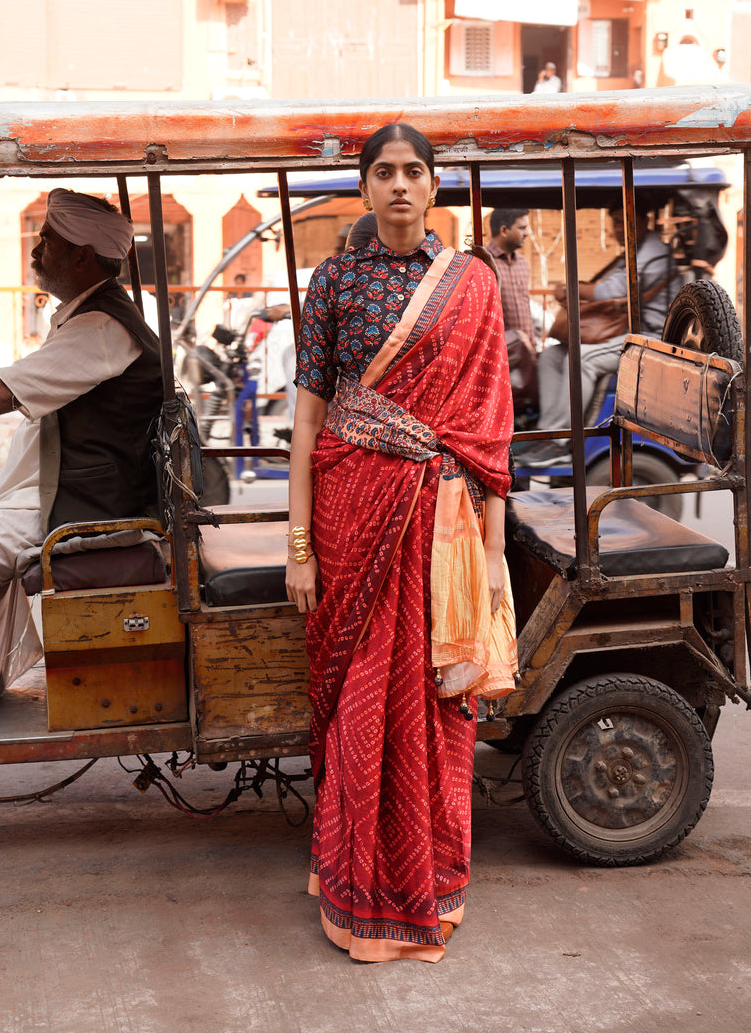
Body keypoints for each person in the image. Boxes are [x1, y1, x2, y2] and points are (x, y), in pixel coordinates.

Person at [287, 123, 516, 962]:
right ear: (363, 187)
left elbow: (491, 429)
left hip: (440, 527)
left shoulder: (472, 286)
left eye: (413, 171)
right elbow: (309, 419)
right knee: (358, 705)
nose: (398, 186)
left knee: (433, 706)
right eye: (382, 172)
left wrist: (492, 556)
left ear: (433, 185)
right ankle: (353, 895)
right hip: (351, 517)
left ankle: (426, 885)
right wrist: (299, 545)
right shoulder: (336, 281)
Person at [0, 189, 162, 715]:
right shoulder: (86, 315)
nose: (35, 247)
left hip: (76, 501)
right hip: (51, 482)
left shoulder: (103, 328)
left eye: (47, 239)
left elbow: (3, 391)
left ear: (82, 256)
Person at [519, 203, 680, 467]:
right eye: (615, 223)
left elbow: (610, 291)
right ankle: (549, 432)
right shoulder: (633, 251)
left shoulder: (654, 254)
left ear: (642, 219)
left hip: (648, 339)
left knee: (583, 357)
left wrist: (571, 289)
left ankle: (561, 442)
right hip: (625, 330)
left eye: (621, 222)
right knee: (550, 355)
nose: (617, 230)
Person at [486, 208, 536, 354]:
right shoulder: (483, 262)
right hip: (498, 353)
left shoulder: (522, 263)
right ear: (504, 230)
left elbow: (525, 309)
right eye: (522, 228)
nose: (527, 233)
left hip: (526, 352)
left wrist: (532, 346)